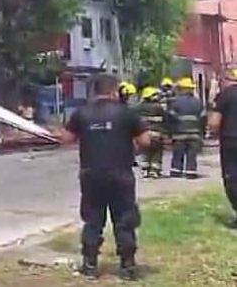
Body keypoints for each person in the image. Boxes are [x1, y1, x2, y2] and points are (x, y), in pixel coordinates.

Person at [56, 74, 151, 281]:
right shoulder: (127, 113)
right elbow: (145, 141)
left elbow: (66, 139)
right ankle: (127, 265)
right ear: (114, 91)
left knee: (92, 219)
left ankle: (90, 264)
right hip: (120, 173)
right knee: (124, 218)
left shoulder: (81, 113)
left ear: (94, 91)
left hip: (91, 174)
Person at [209, 69, 237, 227]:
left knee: (231, 177)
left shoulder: (225, 96)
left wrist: (212, 133)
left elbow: (214, 122)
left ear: (228, 79)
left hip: (231, 141)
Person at [167, 77, 206, 179]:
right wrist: (202, 133)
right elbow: (203, 118)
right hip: (195, 134)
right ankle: (190, 172)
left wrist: (169, 132)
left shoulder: (174, 103)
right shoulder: (198, 102)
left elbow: (170, 118)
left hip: (179, 134)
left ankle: (176, 171)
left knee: (178, 154)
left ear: (181, 89)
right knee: (192, 155)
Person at [137, 87, 167, 179]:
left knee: (144, 152)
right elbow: (165, 120)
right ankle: (154, 171)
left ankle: (145, 170)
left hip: (143, 133)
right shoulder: (158, 107)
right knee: (157, 152)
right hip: (156, 133)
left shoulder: (138, 107)